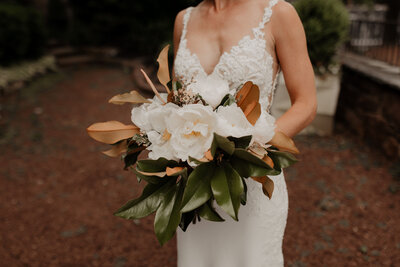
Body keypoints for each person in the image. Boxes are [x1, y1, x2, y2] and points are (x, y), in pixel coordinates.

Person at [172, 0, 317, 266]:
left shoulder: (278, 14)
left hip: (253, 177)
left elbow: (306, 104)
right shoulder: (184, 19)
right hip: (195, 184)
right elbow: (177, 103)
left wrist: (245, 150)